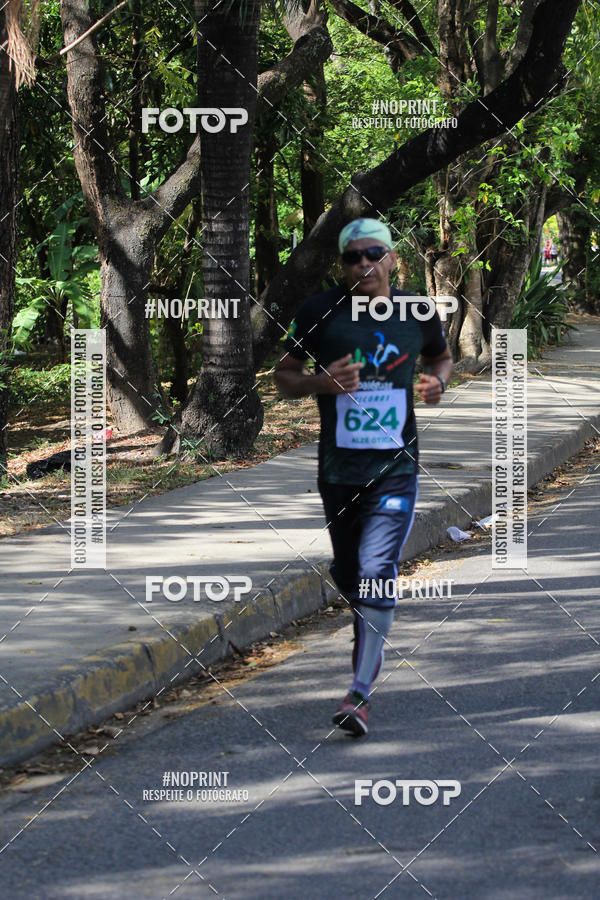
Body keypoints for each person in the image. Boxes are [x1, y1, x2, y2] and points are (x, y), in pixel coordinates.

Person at [275, 218, 453, 736]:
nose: (364, 265)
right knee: (353, 575)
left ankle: (359, 694)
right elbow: (283, 376)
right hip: (338, 472)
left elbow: (442, 358)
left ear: (393, 258)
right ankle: (361, 614)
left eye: (374, 254)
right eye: (353, 257)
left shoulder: (416, 311)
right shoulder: (318, 311)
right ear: (342, 264)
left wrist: (436, 383)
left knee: (378, 570)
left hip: (396, 469)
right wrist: (321, 383)